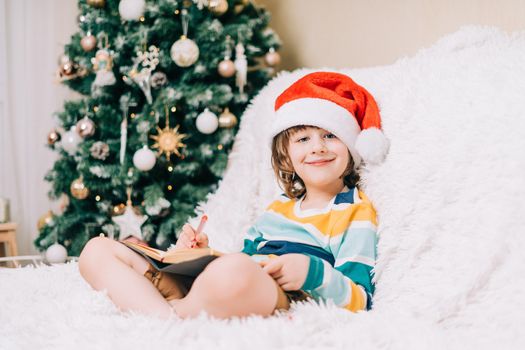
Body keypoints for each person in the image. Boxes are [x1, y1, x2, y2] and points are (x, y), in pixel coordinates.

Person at [78, 71, 389, 319]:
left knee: (235, 271)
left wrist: (311, 272)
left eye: (330, 135)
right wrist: (200, 253)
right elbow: (245, 256)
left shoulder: (354, 211)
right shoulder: (279, 208)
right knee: (98, 250)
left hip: (277, 295)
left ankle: (168, 317)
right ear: (287, 156)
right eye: (303, 138)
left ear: (351, 147)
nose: (317, 147)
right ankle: (165, 316)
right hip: (223, 285)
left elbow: (359, 298)